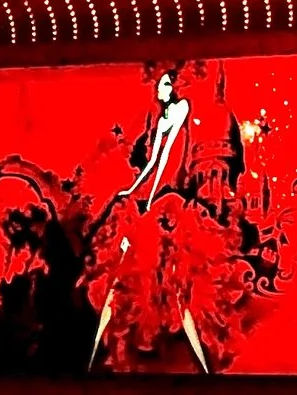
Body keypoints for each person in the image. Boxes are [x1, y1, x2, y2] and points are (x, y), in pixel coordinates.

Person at [89, 69, 211, 372]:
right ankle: (92, 354)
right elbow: (154, 160)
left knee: (177, 278)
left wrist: (151, 198)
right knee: (121, 272)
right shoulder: (160, 121)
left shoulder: (182, 108)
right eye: (158, 84)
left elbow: (169, 157)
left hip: (170, 198)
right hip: (153, 195)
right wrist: (132, 190)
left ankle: (205, 366)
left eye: (165, 84)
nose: (160, 89)